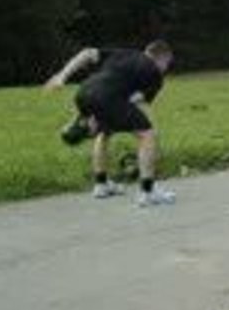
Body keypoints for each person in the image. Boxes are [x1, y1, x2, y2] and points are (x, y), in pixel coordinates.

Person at [45, 40, 177, 206]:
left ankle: (101, 184)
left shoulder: (124, 53)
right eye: (167, 64)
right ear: (163, 59)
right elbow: (136, 101)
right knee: (147, 135)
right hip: (108, 98)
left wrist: (62, 77)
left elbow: (87, 53)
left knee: (104, 132)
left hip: (84, 92)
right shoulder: (155, 74)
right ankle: (148, 192)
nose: (166, 68)